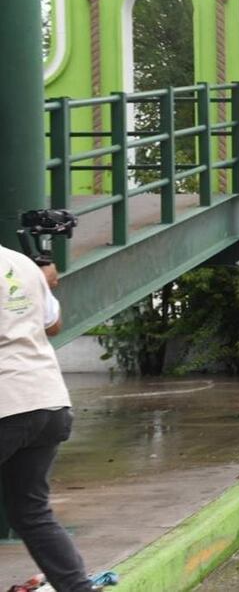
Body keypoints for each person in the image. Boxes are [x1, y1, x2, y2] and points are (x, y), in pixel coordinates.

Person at [0, 242, 94, 592]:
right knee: (30, 511)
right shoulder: (21, 263)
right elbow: (53, 324)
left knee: (30, 510)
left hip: (6, 403)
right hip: (48, 400)